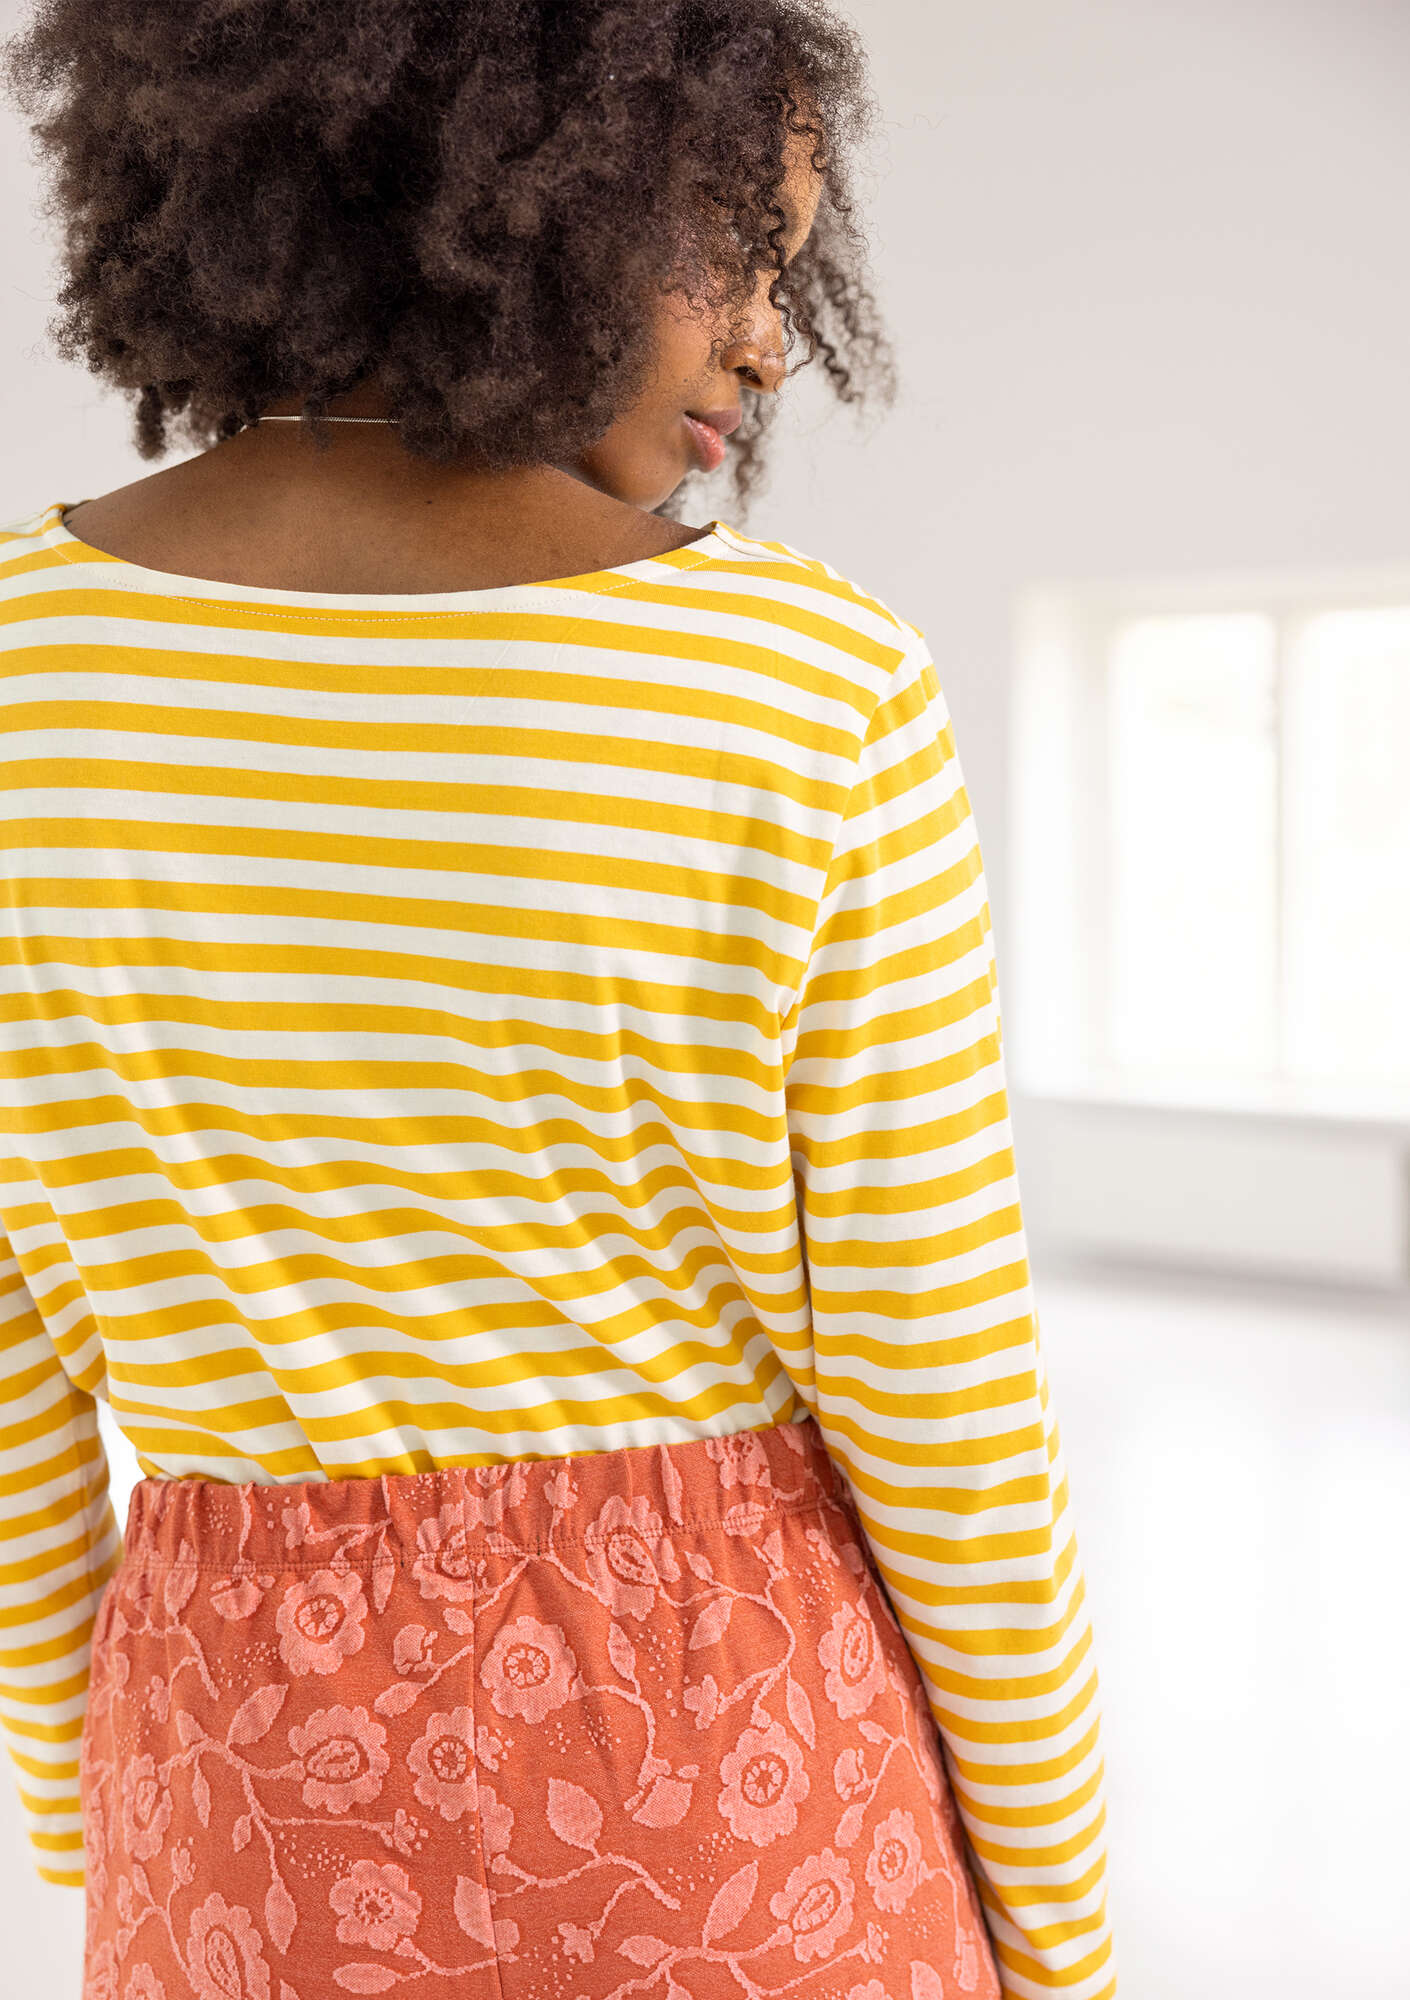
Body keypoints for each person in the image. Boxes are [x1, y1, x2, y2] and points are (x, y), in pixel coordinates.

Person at [0, 3, 1115, 1996]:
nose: (770, 342)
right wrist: (1063, 1929)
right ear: (538, 186)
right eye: (739, 250)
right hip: (748, 1801)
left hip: (236, 1809)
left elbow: (14, 1390)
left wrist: (109, 1830)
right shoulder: (808, 684)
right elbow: (942, 1398)